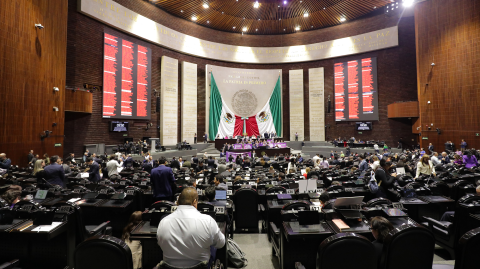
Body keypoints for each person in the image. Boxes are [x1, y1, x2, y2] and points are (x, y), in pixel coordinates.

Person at [156, 188, 225, 267]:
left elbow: (159, 243)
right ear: (195, 202)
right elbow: (221, 243)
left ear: (178, 202)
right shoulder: (208, 220)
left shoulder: (163, 221)